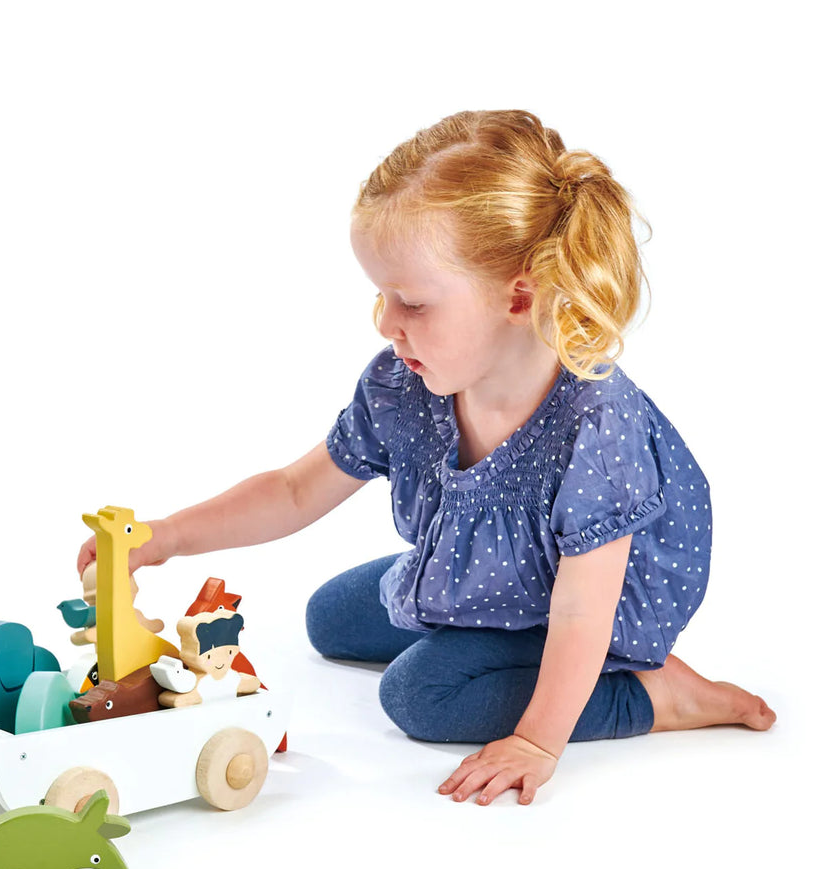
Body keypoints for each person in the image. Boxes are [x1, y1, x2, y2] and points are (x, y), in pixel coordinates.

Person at [77, 109, 774, 806]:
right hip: (508, 577)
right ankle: (478, 624)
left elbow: (580, 615)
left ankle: (657, 697)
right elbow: (294, 491)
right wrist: (167, 537)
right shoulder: (406, 384)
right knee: (330, 618)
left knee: (421, 696)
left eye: (411, 300)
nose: (386, 322)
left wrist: (537, 740)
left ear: (520, 295)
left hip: (590, 605)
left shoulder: (596, 427)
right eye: (381, 297)